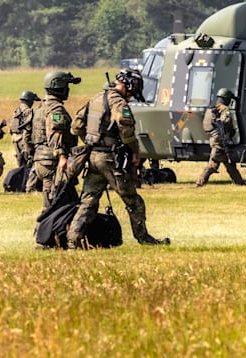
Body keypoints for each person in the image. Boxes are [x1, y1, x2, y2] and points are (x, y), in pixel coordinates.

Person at [67, 69, 170, 248]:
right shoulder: (118, 103)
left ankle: (72, 240)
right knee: (133, 200)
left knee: (88, 200)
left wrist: (92, 140)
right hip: (110, 159)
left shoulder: (96, 98)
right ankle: (144, 238)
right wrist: (135, 151)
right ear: (129, 85)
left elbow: (76, 126)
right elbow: (126, 128)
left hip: (93, 157)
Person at [32, 71, 81, 210]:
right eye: (67, 85)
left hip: (41, 159)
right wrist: (62, 157)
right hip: (52, 161)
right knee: (53, 204)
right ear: (60, 87)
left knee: (66, 200)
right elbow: (55, 133)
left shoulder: (41, 107)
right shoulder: (56, 109)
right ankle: (44, 230)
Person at [196, 88, 246, 187]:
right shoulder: (224, 109)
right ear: (227, 99)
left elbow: (207, 125)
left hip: (215, 138)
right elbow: (227, 121)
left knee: (230, 164)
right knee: (213, 164)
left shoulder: (211, 109)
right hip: (220, 140)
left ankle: (239, 182)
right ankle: (200, 182)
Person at [10, 90, 41, 192]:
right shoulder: (28, 111)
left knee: (21, 162)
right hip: (23, 139)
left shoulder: (16, 110)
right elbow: (29, 127)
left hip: (15, 139)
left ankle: (20, 185)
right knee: (30, 161)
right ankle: (29, 186)